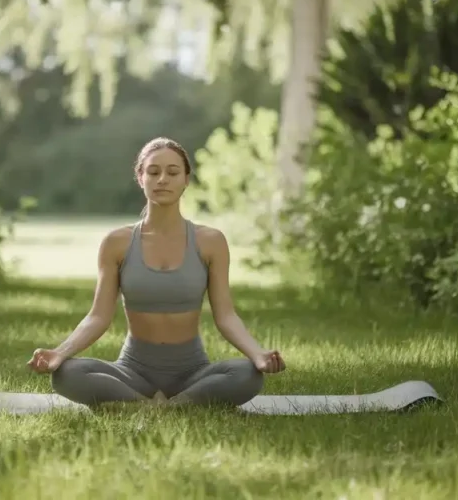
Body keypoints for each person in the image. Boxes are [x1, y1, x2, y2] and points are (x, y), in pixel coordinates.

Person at [27, 136, 286, 407]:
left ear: (186, 179)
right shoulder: (117, 242)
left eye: (173, 172)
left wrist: (257, 355)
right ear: (141, 178)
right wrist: (59, 353)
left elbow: (226, 316)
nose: (163, 179)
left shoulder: (210, 241)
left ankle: (156, 406)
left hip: (192, 372)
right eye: (153, 172)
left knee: (248, 375)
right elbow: (98, 317)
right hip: (133, 371)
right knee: (66, 374)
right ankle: (170, 405)